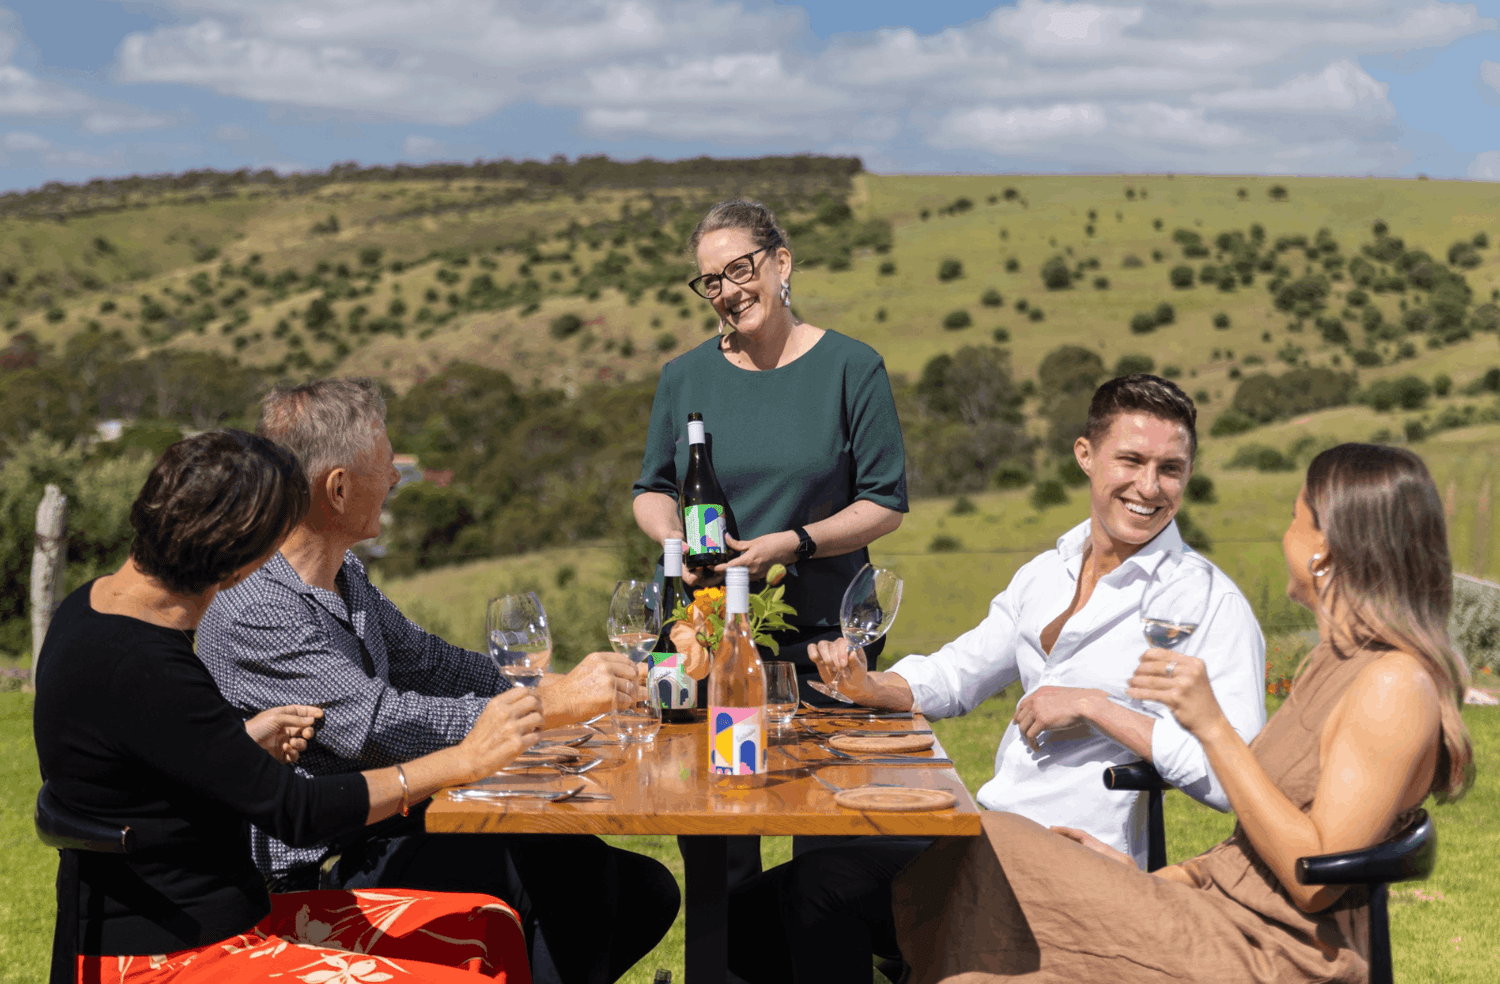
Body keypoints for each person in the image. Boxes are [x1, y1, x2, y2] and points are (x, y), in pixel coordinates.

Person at [729, 374, 1269, 983]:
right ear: (1085, 456)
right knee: (754, 913)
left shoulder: (1208, 603)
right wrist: (872, 688)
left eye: (1170, 468)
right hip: (987, 833)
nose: (1150, 487)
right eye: (1132, 460)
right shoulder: (1046, 572)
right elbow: (960, 672)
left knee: (816, 895)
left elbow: (1236, 777)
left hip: (1075, 863)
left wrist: (1098, 707)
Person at [890, 442, 1475, 984]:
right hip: (1214, 910)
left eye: (1297, 519)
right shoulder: (1336, 659)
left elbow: (1310, 877)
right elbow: (1250, 848)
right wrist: (1145, 878)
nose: (1284, 534)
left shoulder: (1394, 685)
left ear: (1325, 547)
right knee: (993, 840)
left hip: (1271, 954)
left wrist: (1211, 726)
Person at [197, 379, 679, 984]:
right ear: (338, 488)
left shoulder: (341, 573)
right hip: (318, 870)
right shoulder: (256, 605)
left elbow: (434, 664)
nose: (396, 478)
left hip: (390, 826)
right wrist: (549, 704)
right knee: (569, 870)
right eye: (384, 463)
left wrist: (565, 687)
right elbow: (375, 726)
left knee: (647, 890)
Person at [33, 429, 542, 983]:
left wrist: (239, 742)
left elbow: (142, 762)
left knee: (489, 923)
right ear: (233, 561)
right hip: (174, 956)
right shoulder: (144, 661)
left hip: (227, 923)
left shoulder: (92, 609)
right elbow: (298, 812)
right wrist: (463, 761)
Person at [632, 197, 909, 697]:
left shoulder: (852, 369)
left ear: (781, 262)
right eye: (712, 281)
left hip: (816, 648)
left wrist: (794, 543)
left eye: (740, 269)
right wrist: (674, 539)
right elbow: (650, 490)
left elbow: (884, 506)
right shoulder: (683, 377)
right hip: (695, 637)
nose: (728, 291)